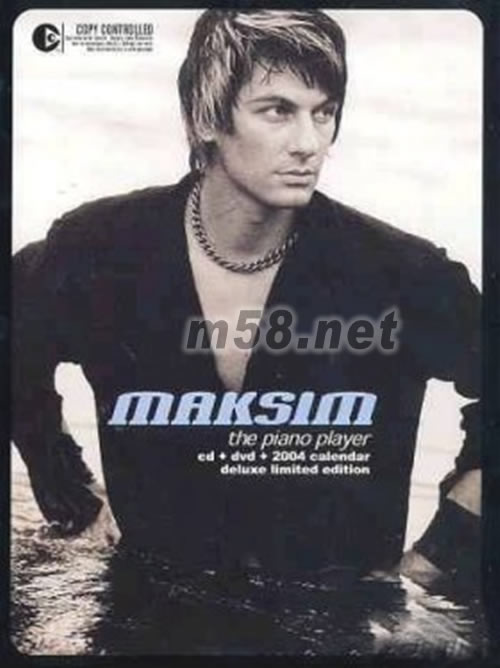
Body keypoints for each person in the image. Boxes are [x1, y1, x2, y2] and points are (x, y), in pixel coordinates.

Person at [13, 9, 480, 603]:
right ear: (206, 117)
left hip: (335, 618)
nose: (309, 144)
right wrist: (70, 496)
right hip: (146, 603)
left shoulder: (399, 274)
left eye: (324, 112)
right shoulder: (101, 248)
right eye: (278, 110)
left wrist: (433, 563)